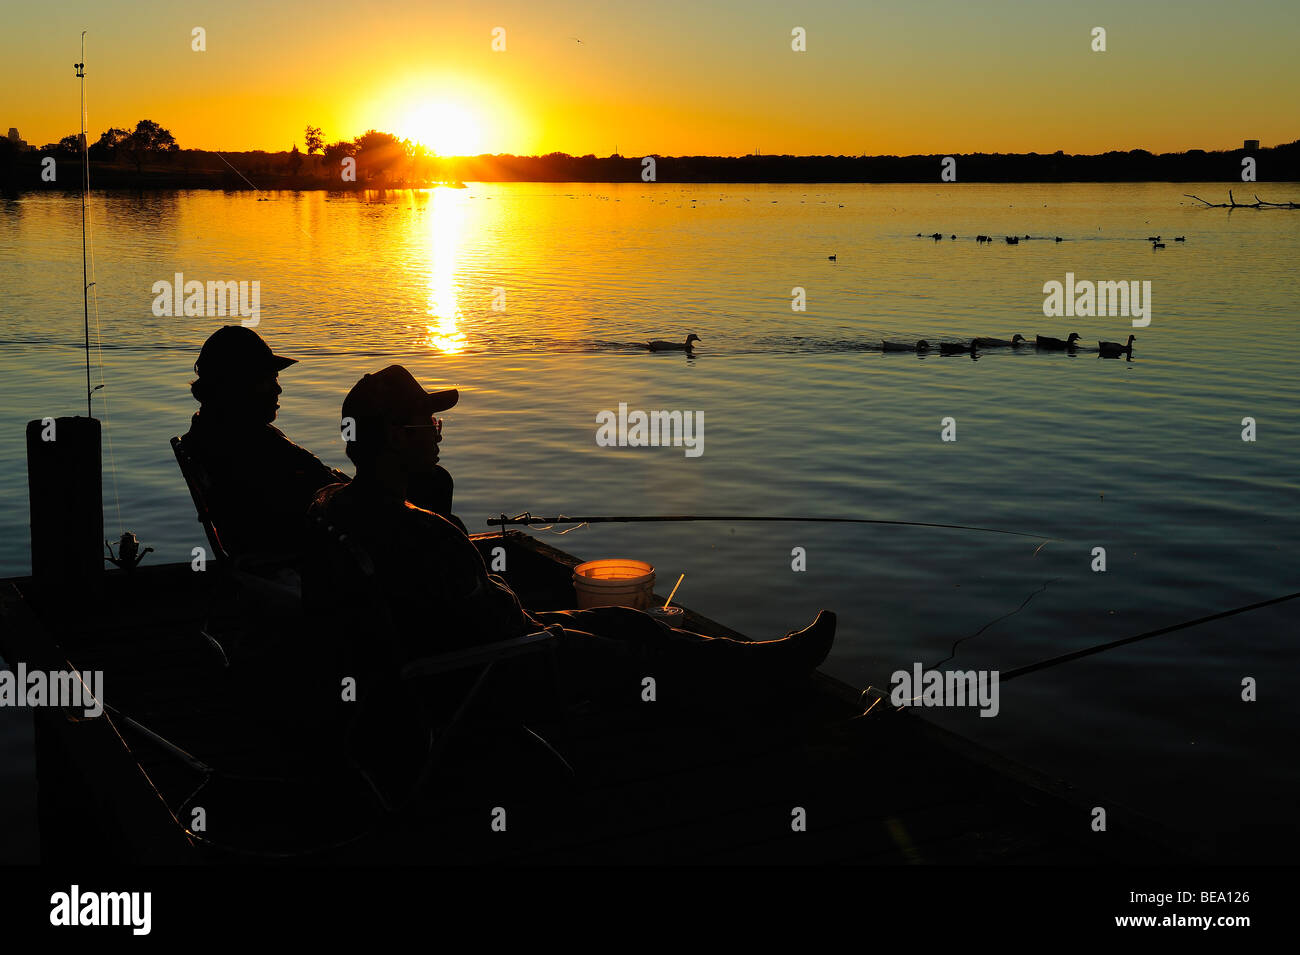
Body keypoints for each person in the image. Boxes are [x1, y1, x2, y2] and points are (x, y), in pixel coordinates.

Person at [304, 364, 837, 711]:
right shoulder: (425, 534)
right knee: (643, 655)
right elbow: (504, 624)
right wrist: (548, 630)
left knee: (626, 619)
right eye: (430, 426)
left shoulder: (331, 507)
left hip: (445, 659)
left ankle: (758, 659)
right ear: (397, 437)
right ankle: (760, 677)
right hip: (495, 673)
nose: (438, 436)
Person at [182, 326, 462, 558]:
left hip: (327, 536)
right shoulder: (245, 448)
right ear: (236, 385)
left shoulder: (222, 434)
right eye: (267, 379)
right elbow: (330, 510)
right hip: (335, 549)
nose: (278, 388)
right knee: (434, 482)